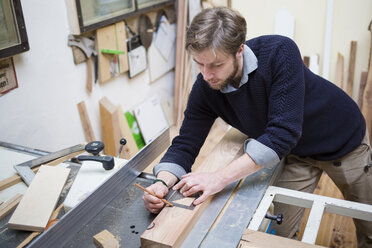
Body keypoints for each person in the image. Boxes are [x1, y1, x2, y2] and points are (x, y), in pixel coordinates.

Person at [142, 6, 372, 247]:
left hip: (343, 140)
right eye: (200, 64)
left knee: (368, 226)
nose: (207, 74)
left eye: (216, 65)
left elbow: (282, 134)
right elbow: (186, 142)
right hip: (298, 153)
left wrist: (218, 178)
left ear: (239, 50)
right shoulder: (206, 87)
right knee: (281, 235)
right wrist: (161, 183)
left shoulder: (279, 52)